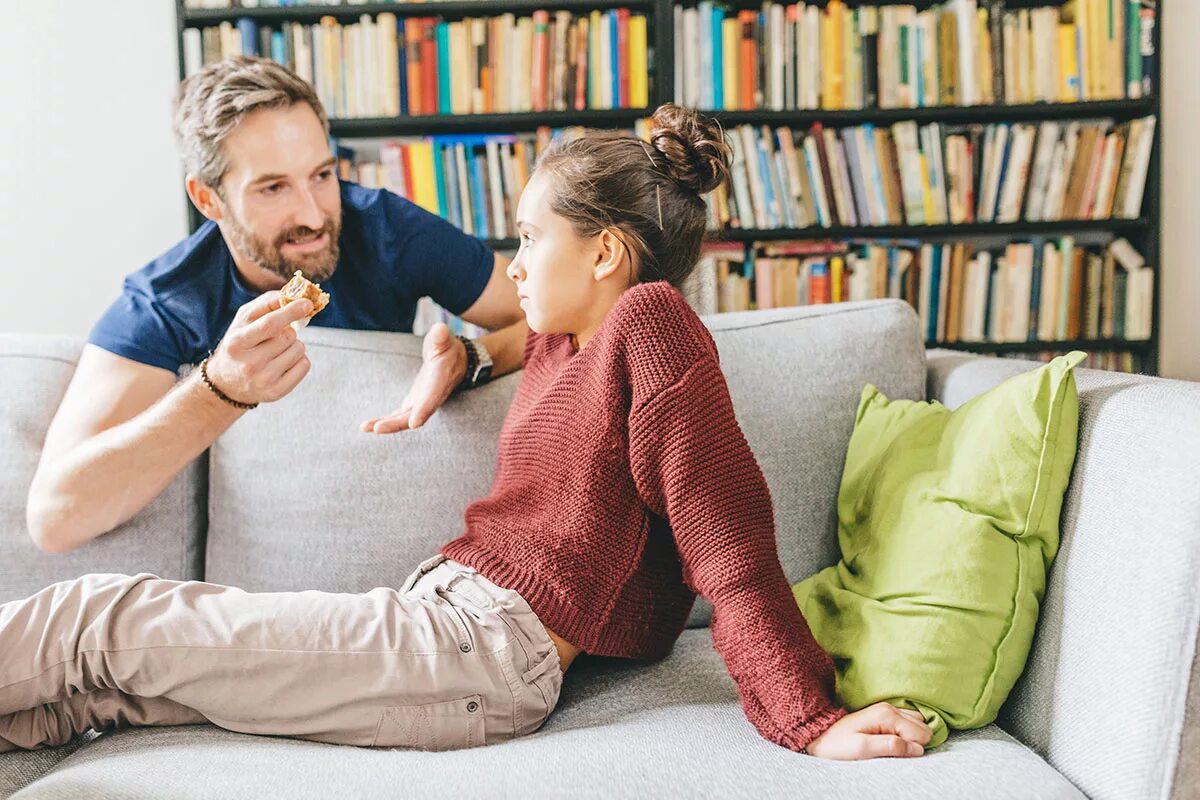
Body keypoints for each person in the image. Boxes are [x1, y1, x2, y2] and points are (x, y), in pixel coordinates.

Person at [0, 105, 932, 761]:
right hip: (448, 626)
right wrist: (470, 357)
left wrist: (805, 716)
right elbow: (523, 330)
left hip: (476, 654)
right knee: (90, 690)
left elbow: (727, 536)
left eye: (529, 240)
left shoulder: (650, 325)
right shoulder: (576, 335)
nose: (512, 265)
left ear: (605, 253)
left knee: (100, 619)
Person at [25, 55, 528, 554]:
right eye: (272, 187)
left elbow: (566, 313)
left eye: (322, 175)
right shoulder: (166, 302)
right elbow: (54, 520)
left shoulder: (386, 230)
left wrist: (473, 359)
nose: (314, 215)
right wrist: (220, 389)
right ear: (208, 199)